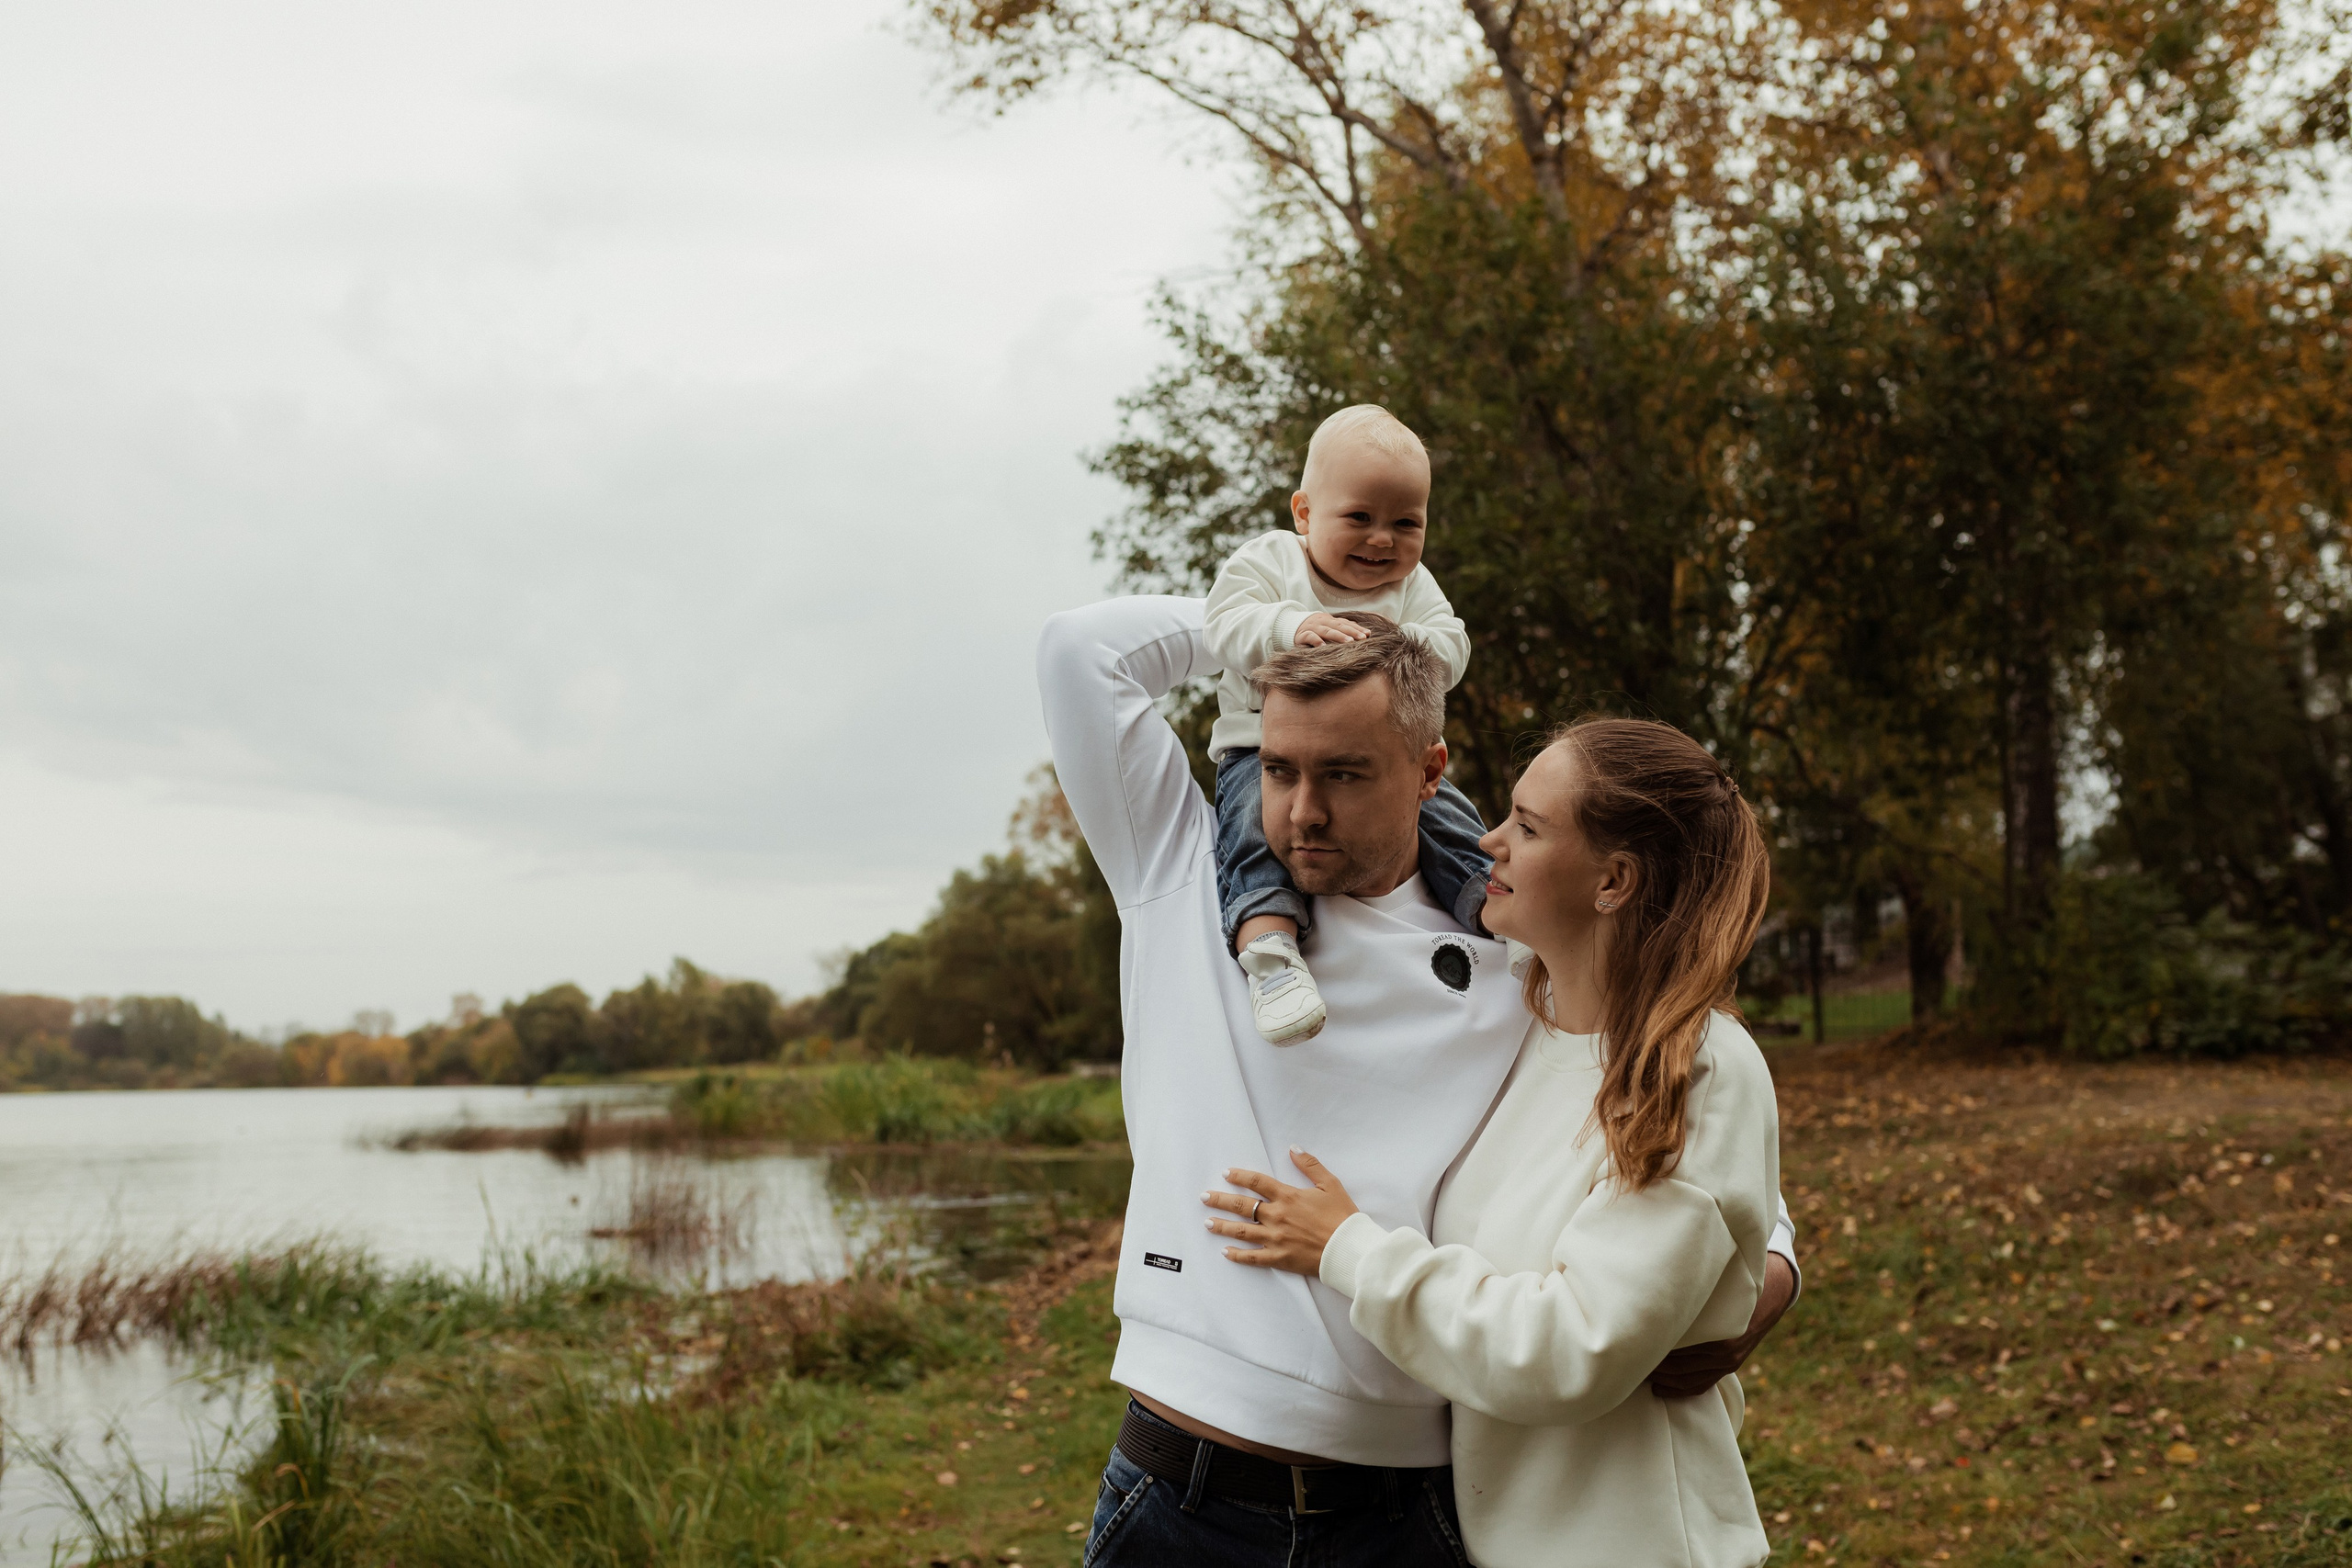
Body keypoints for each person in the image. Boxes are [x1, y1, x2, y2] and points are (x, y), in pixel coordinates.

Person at [1035, 596, 1797, 1568]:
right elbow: (1079, 652)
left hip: (1407, 1513)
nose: (1302, 812)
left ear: (1429, 774)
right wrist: (1284, 618)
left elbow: (1677, 1123)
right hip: (1179, 1496)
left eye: (1345, 773)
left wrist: (1765, 1273)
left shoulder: (1512, 962)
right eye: (1277, 769)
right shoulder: (1182, 877)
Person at [1204, 717, 1786, 1567]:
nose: (1488, 841)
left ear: (1614, 880)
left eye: (1529, 826)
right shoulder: (1524, 1024)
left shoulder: (1700, 1068)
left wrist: (1346, 1248)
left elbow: (1569, 1347)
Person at [1202, 405, 1489, 1045]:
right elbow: (1222, 624)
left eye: (1405, 523)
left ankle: (1498, 916)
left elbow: (1453, 646)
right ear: (1305, 514)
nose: (1382, 540)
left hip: (1385, 749)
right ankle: (1271, 954)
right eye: (1359, 517)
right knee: (1252, 833)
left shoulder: (1412, 586)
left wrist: (1397, 645)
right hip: (1259, 744)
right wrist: (1291, 626)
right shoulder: (1273, 561)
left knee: (1452, 819)